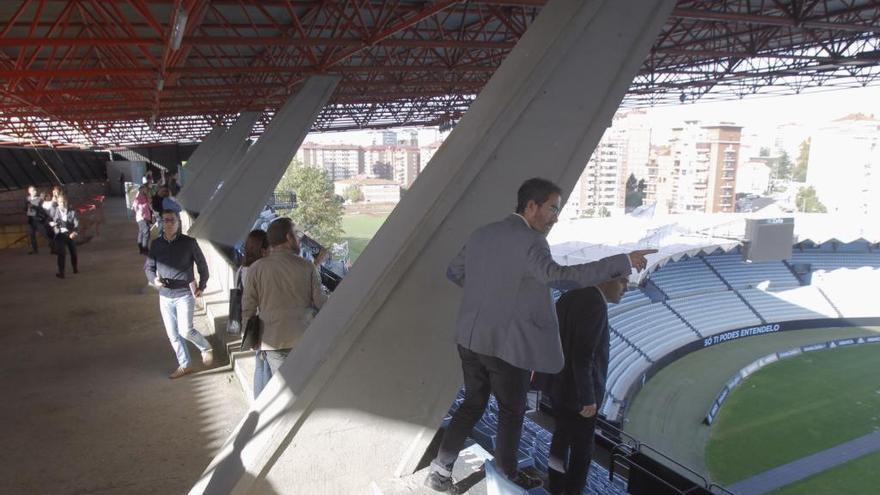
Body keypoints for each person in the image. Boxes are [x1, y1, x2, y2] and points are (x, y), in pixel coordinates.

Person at [425, 178, 655, 492]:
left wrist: (492, 296)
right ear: (531, 205)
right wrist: (622, 261)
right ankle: (507, 477)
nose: (555, 217)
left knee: (473, 403)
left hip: (469, 338)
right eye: (552, 208)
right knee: (512, 411)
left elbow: (455, 272)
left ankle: (439, 471)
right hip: (506, 346)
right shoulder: (531, 242)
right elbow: (560, 277)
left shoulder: (482, 233)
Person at [544, 274, 628, 495]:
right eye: (623, 281)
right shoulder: (595, 304)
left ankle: (554, 486)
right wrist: (588, 398)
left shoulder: (570, 295)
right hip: (578, 396)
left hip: (558, 386)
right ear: (605, 279)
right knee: (582, 451)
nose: (626, 288)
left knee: (561, 437)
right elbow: (583, 356)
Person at [242, 218, 327, 399]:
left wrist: (250, 338)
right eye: (296, 234)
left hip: (272, 339)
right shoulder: (307, 266)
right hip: (304, 336)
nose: (298, 239)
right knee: (306, 386)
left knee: (283, 390)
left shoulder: (256, 269)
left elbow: (248, 307)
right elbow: (321, 302)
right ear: (288, 237)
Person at [145, 209, 213, 379]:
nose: (168, 223)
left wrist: (201, 286)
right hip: (165, 295)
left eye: (172, 220)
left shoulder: (189, 243)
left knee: (186, 330)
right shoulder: (156, 244)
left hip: (184, 294)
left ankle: (205, 347)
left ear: (178, 223)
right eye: (165, 220)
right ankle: (185, 365)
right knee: (173, 335)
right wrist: (154, 280)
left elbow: (202, 266)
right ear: (161, 222)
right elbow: (149, 267)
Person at [50, 195, 79, 279]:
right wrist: (52, 224)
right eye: (60, 202)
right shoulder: (54, 211)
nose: (61, 203)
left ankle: (75, 268)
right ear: (58, 203)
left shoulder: (72, 211)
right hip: (60, 235)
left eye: (63, 202)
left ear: (66, 202)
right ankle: (61, 272)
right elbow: (49, 219)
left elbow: (76, 223)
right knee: (61, 254)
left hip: (70, 235)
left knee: (73, 252)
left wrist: (75, 232)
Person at [132, 185, 153, 255]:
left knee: (141, 232)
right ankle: (144, 248)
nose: (146, 191)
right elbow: (135, 208)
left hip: (145, 217)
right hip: (141, 218)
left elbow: (150, 204)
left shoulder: (145, 197)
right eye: (145, 190)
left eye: (146, 190)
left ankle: (141, 248)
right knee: (146, 232)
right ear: (141, 190)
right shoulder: (137, 199)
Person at [24, 186, 41, 254]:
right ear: (29, 192)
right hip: (31, 219)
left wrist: (34, 207)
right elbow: (24, 208)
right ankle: (35, 250)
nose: (34, 191)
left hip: (38, 219)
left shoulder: (39, 199)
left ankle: (54, 248)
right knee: (32, 235)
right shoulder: (27, 199)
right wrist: (27, 207)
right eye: (32, 190)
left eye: (34, 190)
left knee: (45, 234)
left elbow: (41, 209)